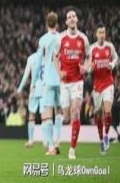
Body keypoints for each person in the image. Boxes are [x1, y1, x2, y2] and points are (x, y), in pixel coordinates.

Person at [54, 8, 90, 160]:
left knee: (76, 111)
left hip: (77, 81)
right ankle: (59, 139)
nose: (72, 18)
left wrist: (85, 68)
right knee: (67, 116)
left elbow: (89, 57)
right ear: (66, 22)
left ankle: (72, 149)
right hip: (64, 82)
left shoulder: (84, 39)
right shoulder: (61, 38)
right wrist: (59, 72)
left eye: (74, 16)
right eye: (69, 17)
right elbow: (55, 57)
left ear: (77, 19)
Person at [35, 11, 63, 155]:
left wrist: (34, 81)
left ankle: (51, 146)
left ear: (47, 23)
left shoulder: (43, 40)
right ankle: (57, 141)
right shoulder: (62, 38)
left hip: (47, 79)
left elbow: (38, 62)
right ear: (57, 23)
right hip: (60, 79)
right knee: (59, 111)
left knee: (47, 114)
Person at [90, 23, 118, 154]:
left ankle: (106, 135)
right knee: (98, 114)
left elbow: (116, 57)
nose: (102, 35)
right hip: (97, 85)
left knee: (107, 112)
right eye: (100, 32)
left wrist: (112, 64)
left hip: (108, 83)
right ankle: (101, 140)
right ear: (96, 34)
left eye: (103, 32)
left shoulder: (109, 47)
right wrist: (90, 68)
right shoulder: (92, 49)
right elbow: (88, 65)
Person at [17, 50, 43, 148]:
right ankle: (46, 140)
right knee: (45, 115)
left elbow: (25, 76)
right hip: (45, 89)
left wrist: (19, 89)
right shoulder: (47, 58)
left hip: (34, 89)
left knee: (31, 114)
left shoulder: (31, 58)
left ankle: (31, 140)